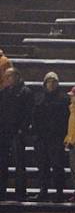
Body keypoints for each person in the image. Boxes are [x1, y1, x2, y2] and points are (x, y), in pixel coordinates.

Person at [31, 72, 69, 202]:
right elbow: (34, 117)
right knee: (42, 166)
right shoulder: (38, 98)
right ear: (45, 83)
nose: (51, 84)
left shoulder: (64, 99)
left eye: (54, 82)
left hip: (57, 138)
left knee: (57, 165)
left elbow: (66, 119)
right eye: (49, 81)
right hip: (41, 138)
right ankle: (43, 190)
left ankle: (59, 192)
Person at [0, 68, 33, 201]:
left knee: (19, 163)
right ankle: (1, 192)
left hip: (17, 133)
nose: (7, 79)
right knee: (2, 163)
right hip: (4, 132)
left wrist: (22, 129)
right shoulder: (3, 93)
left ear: (17, 77)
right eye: (6, 76)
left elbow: (29, 113)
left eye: (10, 76)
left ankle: (20, 193)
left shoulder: (26, 92)